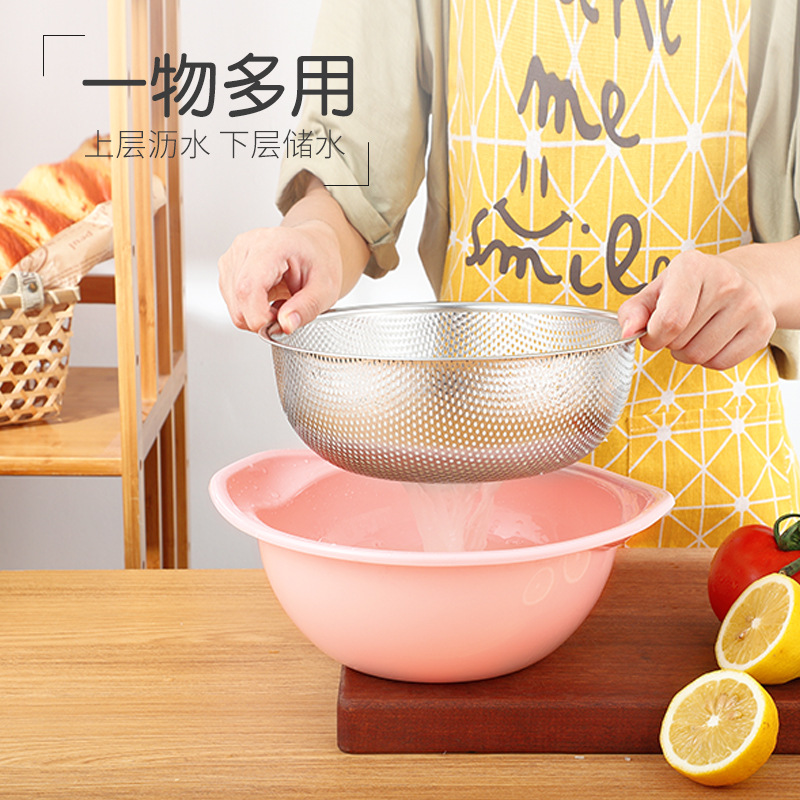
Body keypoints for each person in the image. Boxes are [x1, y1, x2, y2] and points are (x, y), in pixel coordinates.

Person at [218, 0, 800, 547]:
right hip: (483, 459)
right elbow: (351, 161)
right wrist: (315, 237)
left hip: (711, 485)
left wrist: (762, 278)